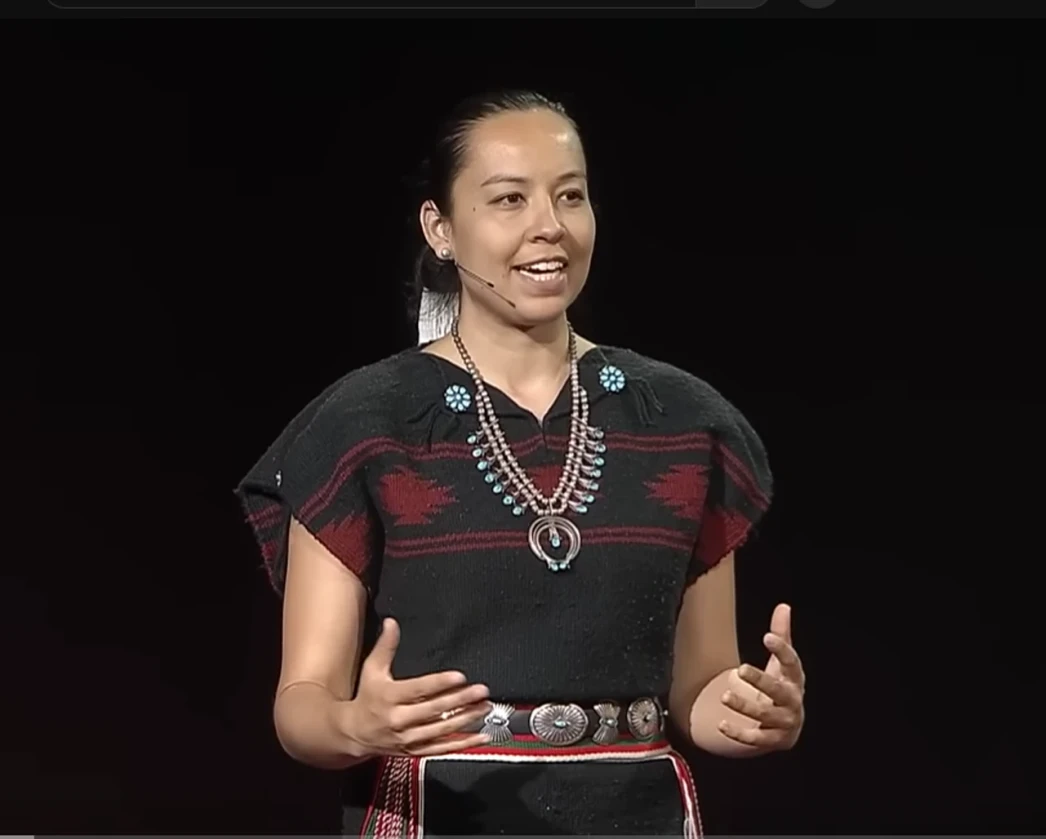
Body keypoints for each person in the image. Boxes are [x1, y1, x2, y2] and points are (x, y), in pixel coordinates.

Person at [234, 89, 805, 837]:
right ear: (440, 228)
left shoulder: (681, 422)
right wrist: (355, 724)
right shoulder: (366, 423)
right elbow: (301, 702)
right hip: (443, 813)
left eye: (571, 195)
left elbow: (697, 688)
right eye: (509, 199)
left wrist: (752, 712)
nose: (550, 226)